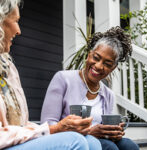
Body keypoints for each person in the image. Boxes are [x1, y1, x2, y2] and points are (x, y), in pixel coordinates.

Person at [0, 0, 102, 149]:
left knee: (93, 142)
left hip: (16, 140)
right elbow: (48, 122)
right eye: (16, 21)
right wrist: (53, 129)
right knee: (75, 141)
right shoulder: (63, 79)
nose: (19, 31)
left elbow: (21, 124)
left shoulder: (7, 67)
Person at [41, 26, 140, 150]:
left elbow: (104, 128)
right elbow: (48, 124)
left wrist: (113, 132)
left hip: (99, 141)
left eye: (107, 64)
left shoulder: (108, 94)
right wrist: (89, 132)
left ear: (113, 68)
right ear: (89, 55)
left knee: (129, 146)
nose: (98, 66)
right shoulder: (63, 79)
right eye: (96, 58)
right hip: (68, 140)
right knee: (109, 147)